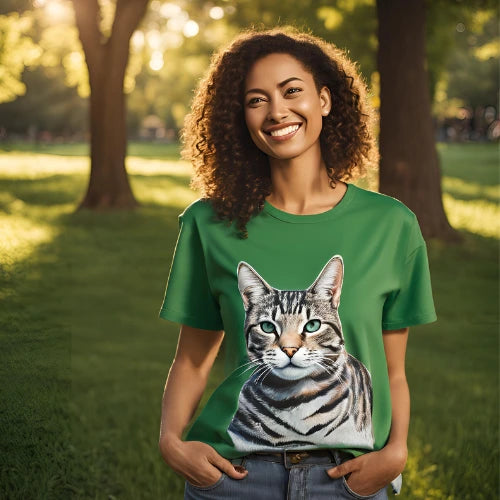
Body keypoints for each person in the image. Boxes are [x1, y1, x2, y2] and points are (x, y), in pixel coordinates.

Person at [157, 27, 437, 500]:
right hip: (233, 478)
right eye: (256, 100)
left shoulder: (391, 225)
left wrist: (397, 451)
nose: (277, 111)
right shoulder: (208, 223)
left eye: (292, 91)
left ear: (324, 100)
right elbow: (191, 358)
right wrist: (170, 442)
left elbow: (393, 370)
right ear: (240, 117)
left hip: (350, 481)